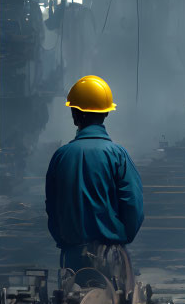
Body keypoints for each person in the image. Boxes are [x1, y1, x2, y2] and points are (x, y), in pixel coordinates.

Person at [45, 75, 145, 276]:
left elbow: (52, 208)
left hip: (71, 255)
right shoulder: (118, 155)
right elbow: (133, 205)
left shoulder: (61, 156)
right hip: (110, 256)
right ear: (106, 113)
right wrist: (122, 236)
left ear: (75, 114)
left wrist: (64, 241)